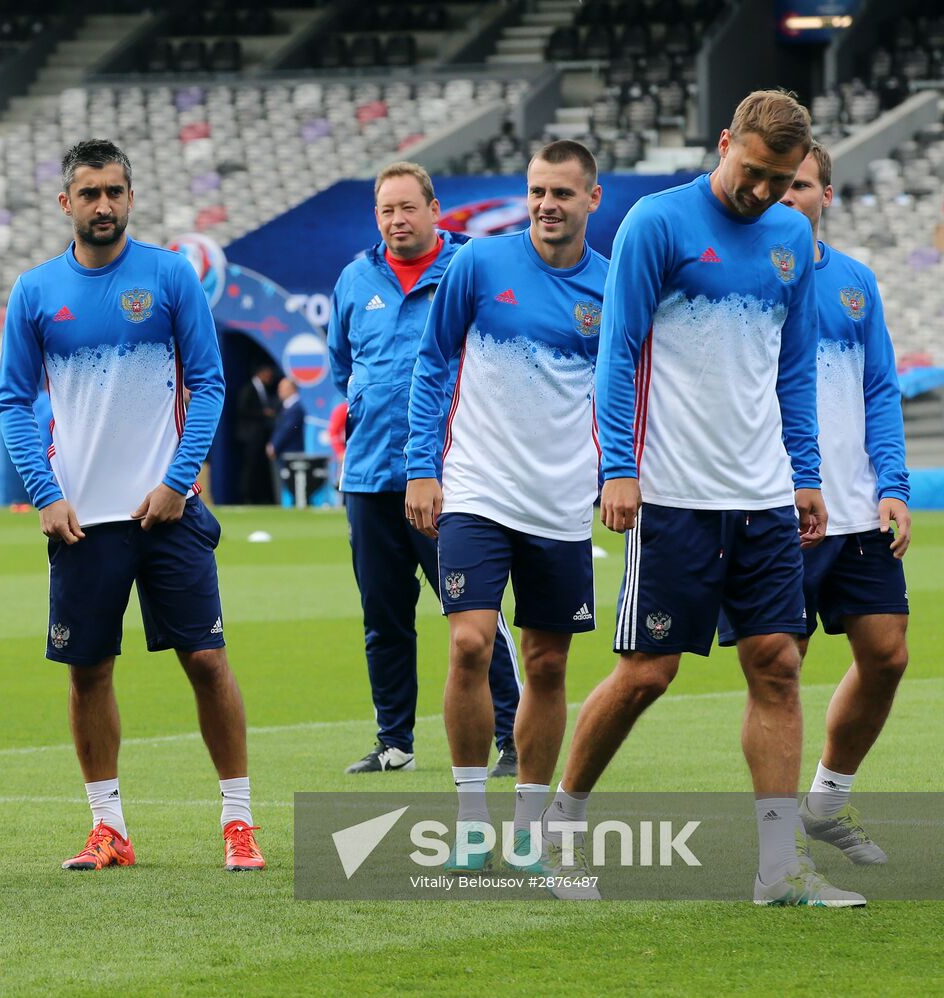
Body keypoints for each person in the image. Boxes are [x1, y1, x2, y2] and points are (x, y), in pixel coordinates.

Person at [549, 89, 864, 906]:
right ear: (725, 142)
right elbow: (616, 352)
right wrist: (618, 466)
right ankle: (562, 823)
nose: (763, 192)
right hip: (672, 490)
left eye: (781, 179)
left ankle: (778, 869)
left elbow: (791, 366)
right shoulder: (657, 221)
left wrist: (804, 474)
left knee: (778, 666)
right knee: (648, 673)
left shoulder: (792, 236)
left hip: (761, 493)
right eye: (753, 172)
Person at [0, 138, 265, 873]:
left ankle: (238, 822)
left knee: (208, 662)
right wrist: (45, 493)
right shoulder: (34, 291)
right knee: (88, 672)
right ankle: (108, 826)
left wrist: (178, 481)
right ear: (66, 203)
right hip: (84, 521)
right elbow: (14, 401)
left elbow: (209, 384)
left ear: (131, 196)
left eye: (115, 191)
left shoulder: (170, 276)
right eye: (90, 194)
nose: (104, 205)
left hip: (167, 512)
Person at [406, 141, 606, 870]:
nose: (547, 204)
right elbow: (433, 365)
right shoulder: (479, 265)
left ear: (592, 199)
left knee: (547, 666)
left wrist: (619, 475)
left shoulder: (611, 289)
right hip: (476, 490)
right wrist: (420, 469)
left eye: (561, 192)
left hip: (559, 503)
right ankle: (467, 818)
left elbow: (621, 397)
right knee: (469, 642)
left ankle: (525, 826)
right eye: (537, 191)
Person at [732, 142, 909, 864]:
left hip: (858, 507)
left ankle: (825, 806)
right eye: (776, 184)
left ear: (825, 195)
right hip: (776, 508)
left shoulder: (855, 284)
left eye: (800, 185)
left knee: (888, 655)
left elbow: (879, 391)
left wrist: (893, 485)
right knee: (781, 667)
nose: (785, 196)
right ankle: (777, 849)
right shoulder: (746, 277)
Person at [327, 161, 522, 777]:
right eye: (386, 210)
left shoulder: (469, 269)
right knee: (383, 616)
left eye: (408, 208)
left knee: (474, 616)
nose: (397, 220)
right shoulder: (355, 279)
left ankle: (513, 736)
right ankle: (395, 743)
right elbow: (342, 367)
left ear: (435, 210)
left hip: (451, 477)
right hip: (369, 477)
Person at [235, 361, 277, 503]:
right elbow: (242, 410)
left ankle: (259, 497)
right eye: (268, 373)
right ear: (261, 372)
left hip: (260, 437)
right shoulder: (248, 388)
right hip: (250, 436)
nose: (270, 376)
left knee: (259, 468)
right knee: (250, 467)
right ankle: (247, 498)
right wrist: (263, 413)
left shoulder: (264, 389)